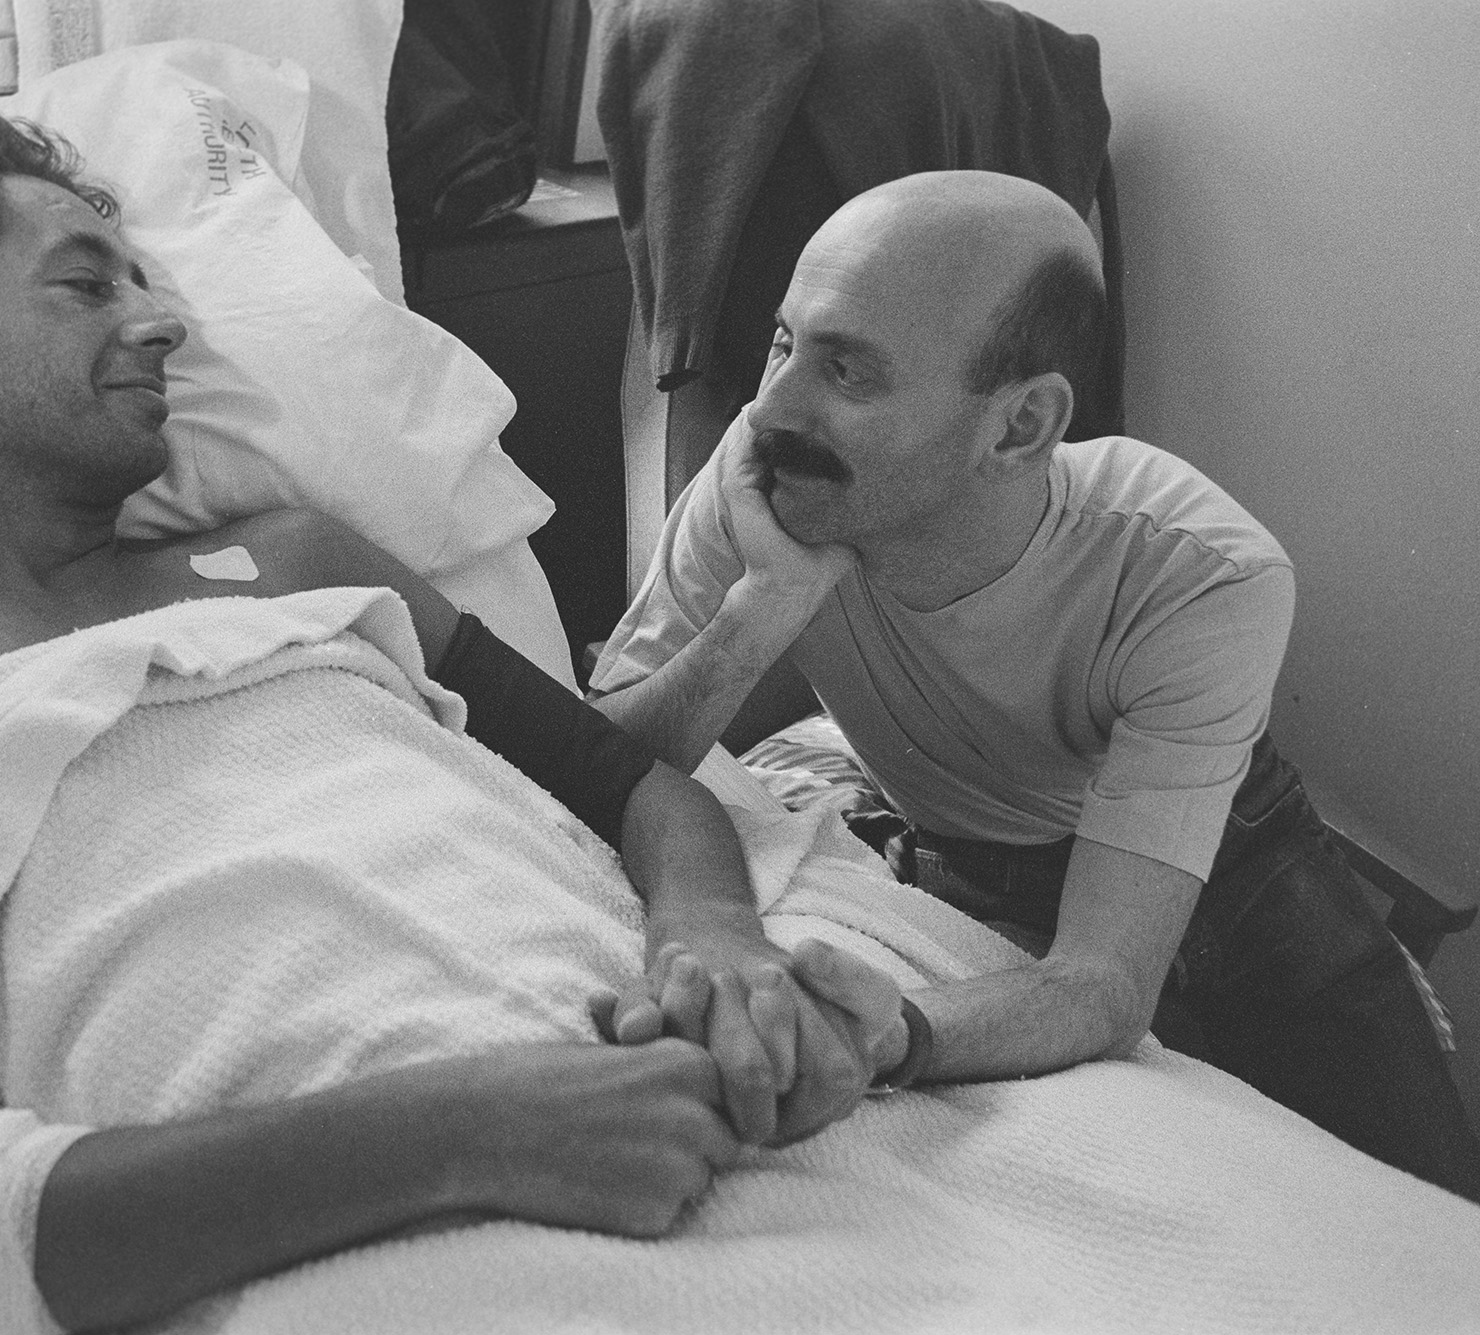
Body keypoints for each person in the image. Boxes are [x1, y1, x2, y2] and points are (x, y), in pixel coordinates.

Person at [0, 107, 913, 1333]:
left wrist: (714, 941)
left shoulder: (298, 558)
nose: (160, 322)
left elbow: (631, 785)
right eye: (83, 287)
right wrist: (467, 1131)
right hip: (387, 1224)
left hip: (692, 1096)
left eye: (147, 285)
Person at [589, 169, 1480, 1200]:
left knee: (1431, 1213)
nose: (767, 404)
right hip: (969, 868)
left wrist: (895, 1035)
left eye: (847, 371)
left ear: (1016, 428)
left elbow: (1101, 982)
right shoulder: (768, 479)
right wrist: (753, 618)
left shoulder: (1194, 572)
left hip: (1246, 882)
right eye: (783, 341)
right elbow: (593, 759)